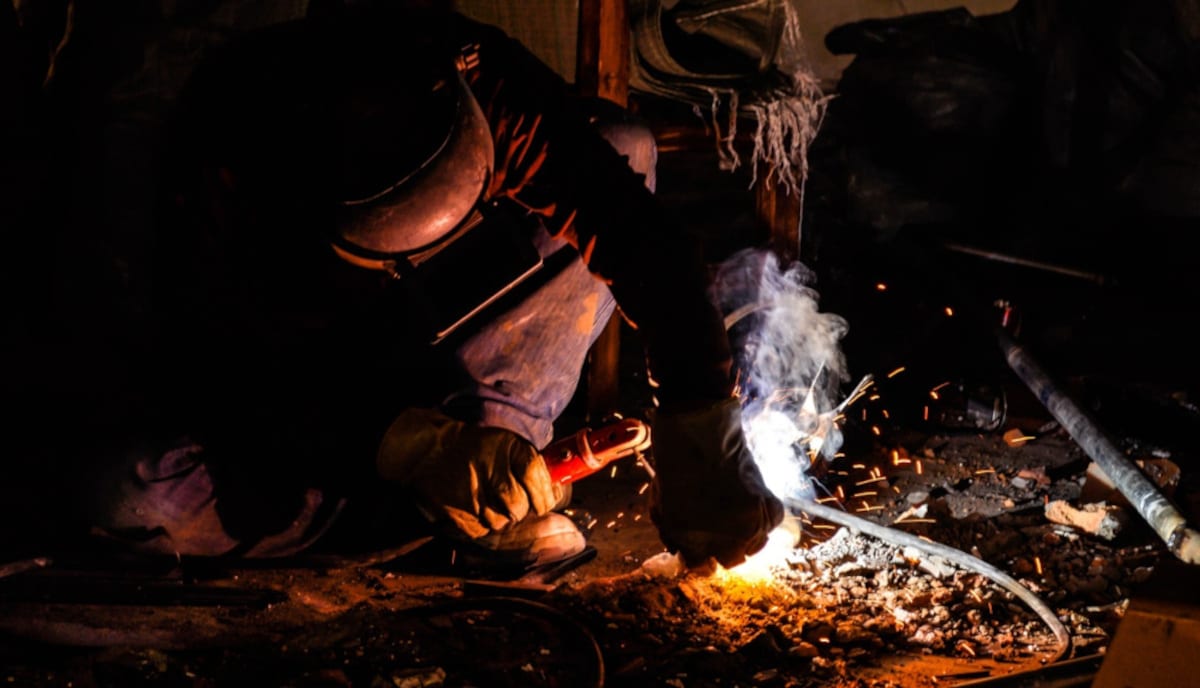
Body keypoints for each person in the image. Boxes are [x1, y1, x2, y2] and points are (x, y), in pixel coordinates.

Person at [58, 1, 783, 575]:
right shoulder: (227, 154)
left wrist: (701, 414)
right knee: (131, 493)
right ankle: (438, 509)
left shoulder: (473, 73)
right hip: (310, 386)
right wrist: (402, 445)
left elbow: (635, 230)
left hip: (453, 333)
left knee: (626, 147)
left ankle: (492, 460)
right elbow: (216, 375)